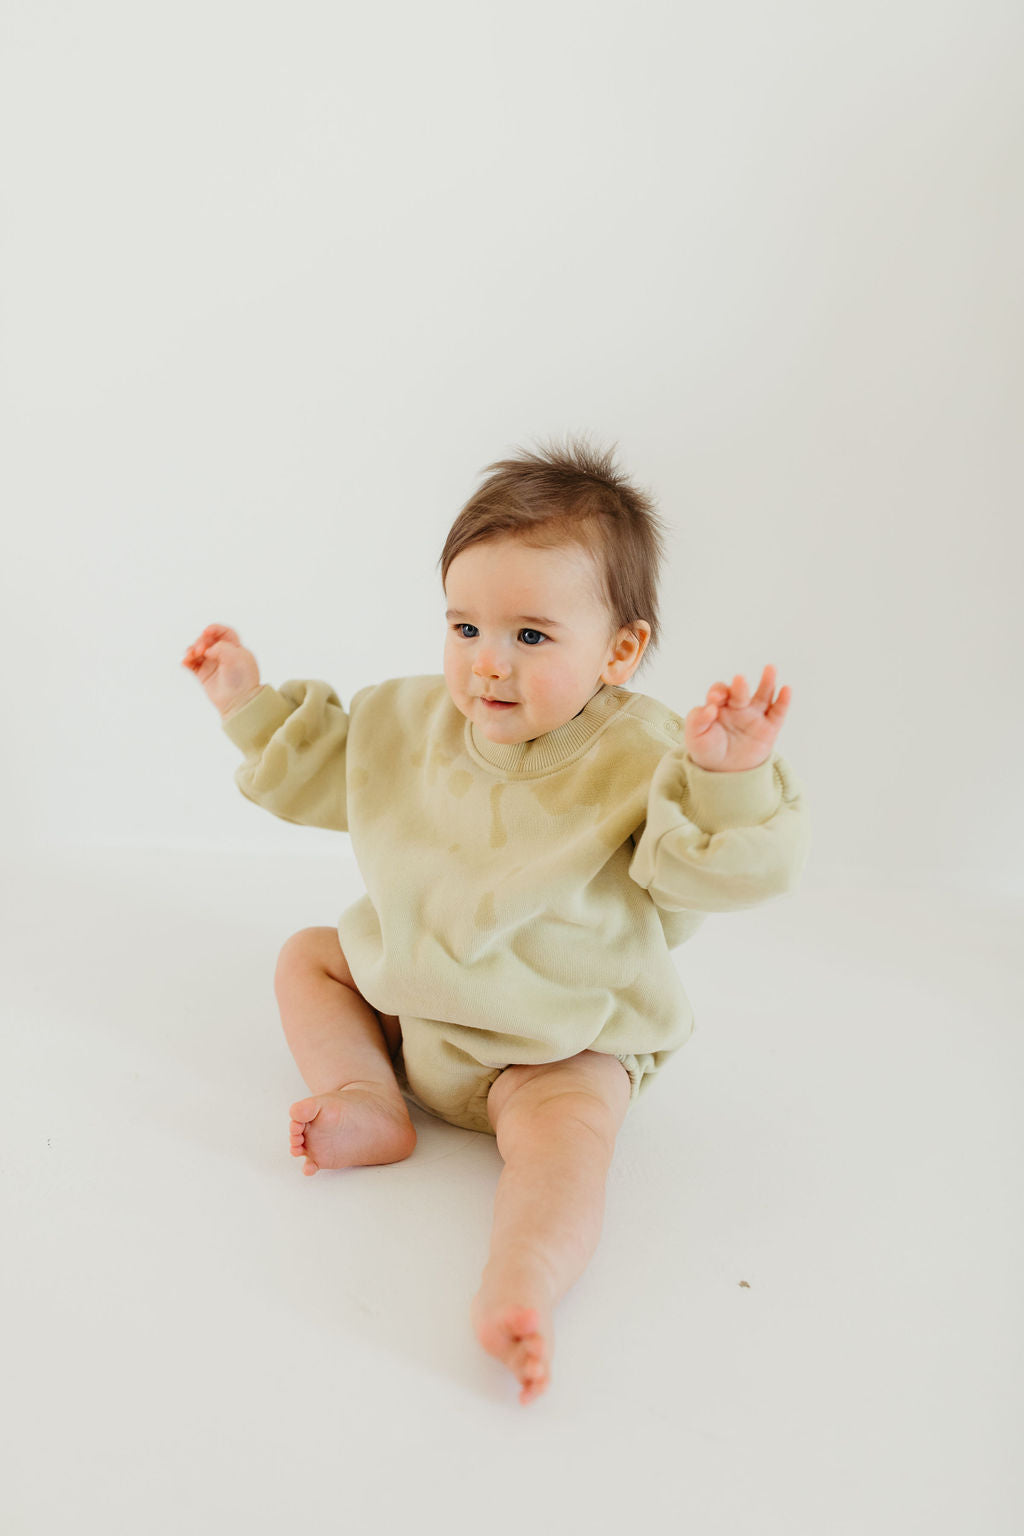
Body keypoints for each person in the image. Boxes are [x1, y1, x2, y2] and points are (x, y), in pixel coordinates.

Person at [181, 435, 810, 1406]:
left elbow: (706, 876)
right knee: (308, 956)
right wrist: (246, 702)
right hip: (419, 1016)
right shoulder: (413, 721)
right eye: (464, 627)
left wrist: (725, 780)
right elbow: (327, 771)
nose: (486, 666)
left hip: (559, 1045)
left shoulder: (646, 755)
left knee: (565, 1151)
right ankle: (368, 1096)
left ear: (621, 650)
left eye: (529, 636)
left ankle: (523, 1283)